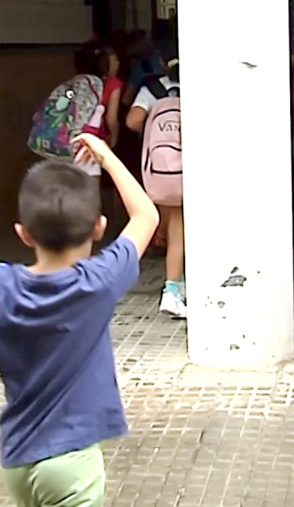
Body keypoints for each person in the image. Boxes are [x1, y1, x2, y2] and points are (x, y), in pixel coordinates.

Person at [0, 134, 158, 507]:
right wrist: (106, 156)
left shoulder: (0, 285)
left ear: (23, 233)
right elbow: (147, 216)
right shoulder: (100, 281)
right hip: (72, 462)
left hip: (18, 459)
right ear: (99, 228)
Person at [126, 45, 186, 318]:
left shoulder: (152, 89)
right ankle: (179, 288)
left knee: (176, 226)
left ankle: (175, 288)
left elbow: (133, 120)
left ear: (162, 60)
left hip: (166, 171)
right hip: (198, 167)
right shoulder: (205, 81)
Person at [74, 43, 124, 148]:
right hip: (94, 136)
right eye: (115, 60)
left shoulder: (79, 80)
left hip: (73, 134)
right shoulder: (113, 83)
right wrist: (114, 137)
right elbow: (111, 118)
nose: (118, 63)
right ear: (105, 64)